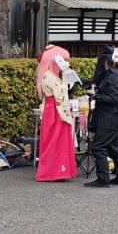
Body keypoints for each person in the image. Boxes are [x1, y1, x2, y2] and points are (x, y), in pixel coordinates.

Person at [83, 47, 118, 189]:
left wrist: (94, 95)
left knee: (98, 147)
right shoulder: (114, 75)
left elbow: (114, 99)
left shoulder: (113, 76)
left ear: (105, 61)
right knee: (114, 147)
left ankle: (103, 179)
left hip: (109, 117)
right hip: (112, 116)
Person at [34, 45, 78, 182]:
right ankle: (53, 171)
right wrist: (66, 80)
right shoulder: (48, 76)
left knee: (56, 141)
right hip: (56, 110)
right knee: (54, 141)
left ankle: (57, 171)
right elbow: (60, 94)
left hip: (54, 109)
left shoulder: (49, 75)